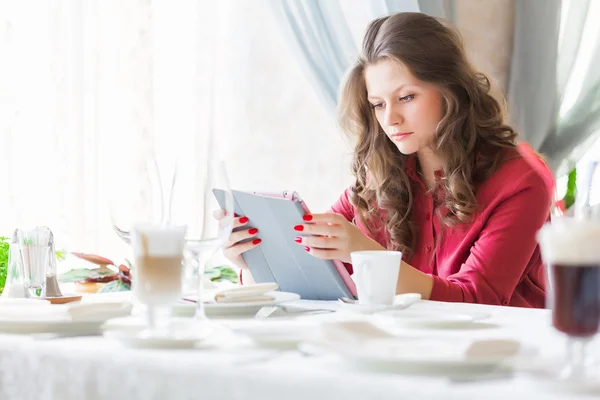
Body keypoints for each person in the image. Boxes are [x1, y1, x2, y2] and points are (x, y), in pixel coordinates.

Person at [219, 12, 552, 307]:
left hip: (501, 361)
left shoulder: (522, 182)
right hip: (403, 354)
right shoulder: (379, 176)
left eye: (406, 97)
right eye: (378, 104)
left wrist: (366, 256)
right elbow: (320, 281)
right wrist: (258, 261)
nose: (390, 118)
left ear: (453, 91)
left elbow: (478, 300)